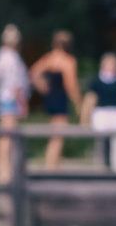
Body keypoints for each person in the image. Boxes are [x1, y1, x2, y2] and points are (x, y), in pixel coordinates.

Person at [0, 24, 31, 183]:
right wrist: (22, 102)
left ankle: (6, 170)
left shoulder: (3, 55)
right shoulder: (11, 57)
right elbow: (16, 83)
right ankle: (3, 172)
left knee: (6, 136)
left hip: (5, 97)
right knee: (7, 136)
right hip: (10, 99)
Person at [30, 30, 80, 168]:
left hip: (51, 98)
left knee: (54, 134)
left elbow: (34, 72)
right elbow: (71, 85)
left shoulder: (50, 58)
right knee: (58, 135)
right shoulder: (68, 61)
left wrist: (43, 87)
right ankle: (52, 167)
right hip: (60, 98)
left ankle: (53, 164)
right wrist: (78, 103)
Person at [84, 50, 116, 171]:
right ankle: (100, 167)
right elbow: (90, 101)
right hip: (101, 114)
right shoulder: (96, 83)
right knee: (100, 143)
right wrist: (85, 118)